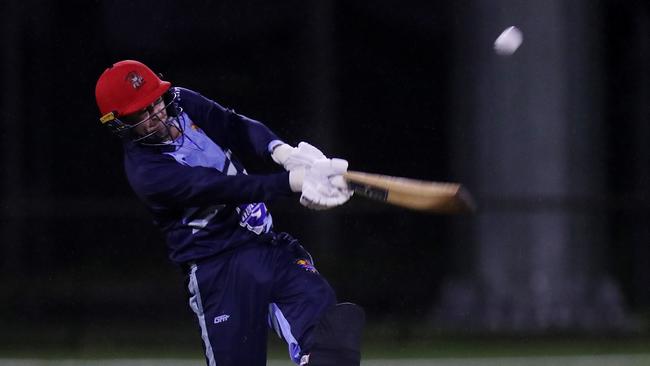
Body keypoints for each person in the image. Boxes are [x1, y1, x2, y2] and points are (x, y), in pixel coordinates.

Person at [94, 60, 365, 366]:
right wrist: (296, 181)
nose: (156, 113)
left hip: (268, 247)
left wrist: (284, 153)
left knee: (332, 349)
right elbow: (222, 187)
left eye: (155, 100)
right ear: (120, 124)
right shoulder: (147, 173)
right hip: (218, 271)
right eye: (141, 112)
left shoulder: (181, 102)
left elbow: (233, 125)